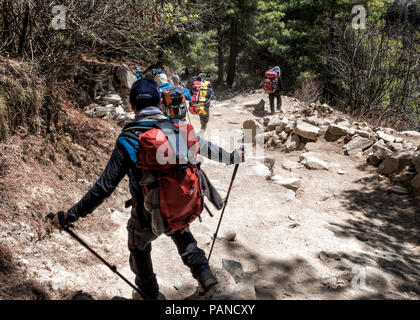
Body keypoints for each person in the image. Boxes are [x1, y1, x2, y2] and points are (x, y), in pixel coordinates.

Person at [49, 78, 244, 300]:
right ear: (160, 102)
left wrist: (70, 215)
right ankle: (204, 274)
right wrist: (233, 157)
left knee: (138, 246)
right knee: (180, 229)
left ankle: (149, 293)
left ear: (132, 106)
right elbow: (209, 149)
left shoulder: (129, 138)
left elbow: (104, 187)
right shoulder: (177, 129)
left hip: (146, 212)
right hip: (180, 204)